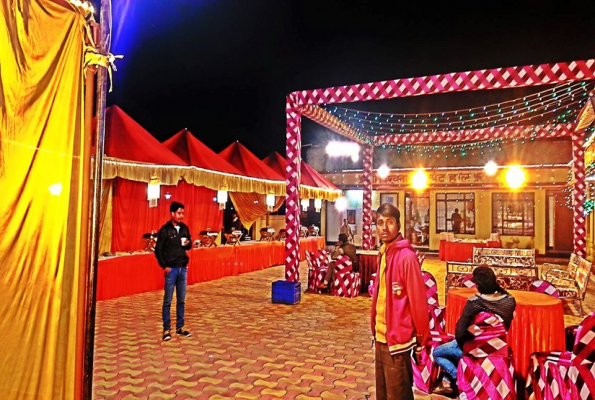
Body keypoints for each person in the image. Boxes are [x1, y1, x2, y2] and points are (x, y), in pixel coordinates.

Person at [371, 203, 429, 400]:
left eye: (390, 222)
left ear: (399, 225)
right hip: (381, 336)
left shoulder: (406, 257)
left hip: (398, 340)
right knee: (383, 392)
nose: (384, 228)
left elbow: (418, 302)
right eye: (380, 223)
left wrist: (422, 339)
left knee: (398, 393)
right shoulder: (384, 252)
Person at [432, 266, 516, 397]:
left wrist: (468, 347)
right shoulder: (510, 301)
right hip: (497, 350)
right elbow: (506, 326)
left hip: (475, 349)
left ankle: (458, 379)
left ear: (477, 285)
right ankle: (451, 380)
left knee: (437, 353)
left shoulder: (474, 303)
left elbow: (460, 332)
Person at [155, 201, 192, 341]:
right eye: (178, 213)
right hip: (171, 270)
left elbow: (188, 247)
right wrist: (165, 266)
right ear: (172, 214)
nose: (181, 215)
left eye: (182, 213)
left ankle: (180, 327)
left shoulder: (184, 228)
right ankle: (166, 329)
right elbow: (158, 250)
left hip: (183, 268)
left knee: (181, 299)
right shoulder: (165, 230)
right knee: (168, 300)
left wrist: (188, 244)